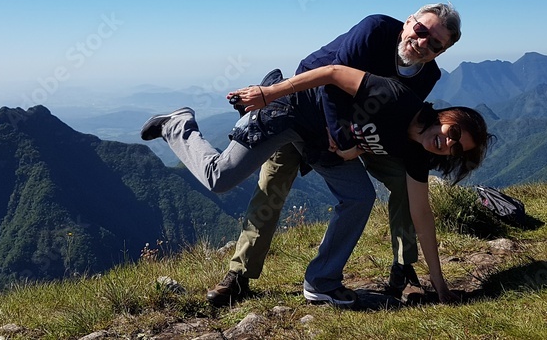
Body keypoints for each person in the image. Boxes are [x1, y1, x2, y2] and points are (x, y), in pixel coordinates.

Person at [140, 63, 492, 304]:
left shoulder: (416, 152)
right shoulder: (397, 95)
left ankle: (321, 282)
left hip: (322, 145)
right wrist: (270, 93)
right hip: (292, 114)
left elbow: (422, 216)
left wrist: (441, 286)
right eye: (454, 132)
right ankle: (178, 124)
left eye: (457, 150)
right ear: (448, 116)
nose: (449, 143)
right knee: (227, 180)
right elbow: (333, 74)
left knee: (358, 196)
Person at [206, 5, 460, 306]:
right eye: (421, 32)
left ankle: (403, 270)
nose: (423, 44)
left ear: (440, 52)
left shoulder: (427, 74)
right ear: (409, 22)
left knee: (404, 182)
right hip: (307, 108)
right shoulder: (376, 30)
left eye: (435, 45)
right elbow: (331, 80)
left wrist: (355, 144)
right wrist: (340, 137)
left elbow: (398, 113)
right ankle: (239, 275)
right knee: (274, 184)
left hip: (361, 132)